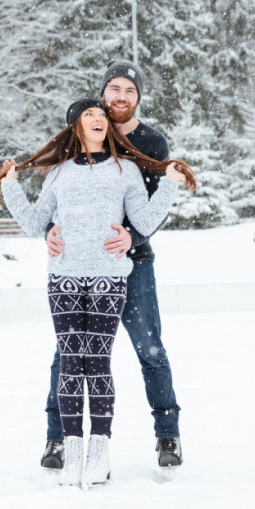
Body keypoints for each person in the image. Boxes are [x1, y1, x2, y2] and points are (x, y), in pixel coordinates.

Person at [0, 97, 195, 486]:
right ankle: (72, 450)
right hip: (64, 277)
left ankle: (99, 450)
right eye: (90, 114)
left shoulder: (127, 170)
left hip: (108, 277)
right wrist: (12, 186)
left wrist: (169, 184)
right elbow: (36, 224)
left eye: (101, 114)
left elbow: (147, 220)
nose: (99, 118)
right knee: (69, 362)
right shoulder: (58, 173)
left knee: (97, 362)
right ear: (76, 126)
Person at [41, 61, 187, 470]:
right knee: (66, 356)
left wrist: (132, 238)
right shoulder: (81, 135)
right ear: (102, 94)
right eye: (114, 90)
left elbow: (156, 207)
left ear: (138, 97)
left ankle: (168, 436)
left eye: (129, 91)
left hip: (133, 265)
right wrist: (49, 231)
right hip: (80, 267)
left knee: (150, 349)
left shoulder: (152, 144)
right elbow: (59, 195)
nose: (121, 97)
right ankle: (56, 440)